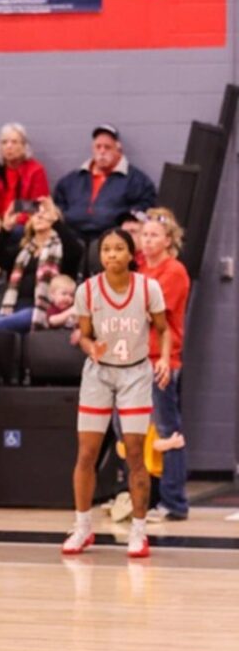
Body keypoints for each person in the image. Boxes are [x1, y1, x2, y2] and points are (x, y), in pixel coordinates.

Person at [62, 227, 171, 560]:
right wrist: (90, 346)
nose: (111, 254)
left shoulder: (148, 288)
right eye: (106, 249)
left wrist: (164, 359)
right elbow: (83, 336)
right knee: (87, 453)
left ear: (130, 253)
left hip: (135, 373)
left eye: (118, 248)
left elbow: (164, 329)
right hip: (99, 374)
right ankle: (83, 527)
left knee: (135, 453)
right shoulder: (87, 290)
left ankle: (139, 530)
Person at [138, 207, 190, 521]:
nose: (146, 240)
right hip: (136, 360)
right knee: (135, 430)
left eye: (154, 235)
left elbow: (150, 313)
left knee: (168, 429)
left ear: (168, 240)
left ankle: (174, 501)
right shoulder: (141, 270)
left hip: (162, 360)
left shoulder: (174, 271)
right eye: (144, 235)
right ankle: (147, 495)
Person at [0, 197, 83, 332]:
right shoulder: (24, 250)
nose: (39, 216)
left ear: (54, 218)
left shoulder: (63, 248)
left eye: (45, 213)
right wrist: (6, 228)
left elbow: (76, 252)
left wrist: (56, 222)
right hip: (13, 308)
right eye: (36, 213)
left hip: (41, 311)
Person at [53, 125, 157, 244]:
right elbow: (58, 206)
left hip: (113, 239)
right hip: (73, 238)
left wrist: (126, 222)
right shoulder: (72, 180)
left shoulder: (136, 180)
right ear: (93, 149)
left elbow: (145, 207)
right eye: (98, 147)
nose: (102, 151)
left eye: (107, 147)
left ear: (118, 150)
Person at [0, 122, 50, 224]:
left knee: (16, 231)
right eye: (4, 142)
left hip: (22, 225)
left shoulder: (36, 170)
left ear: (24, 146)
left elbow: (37, 205)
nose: (8, 146)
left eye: (14, 142)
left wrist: (14, 220)